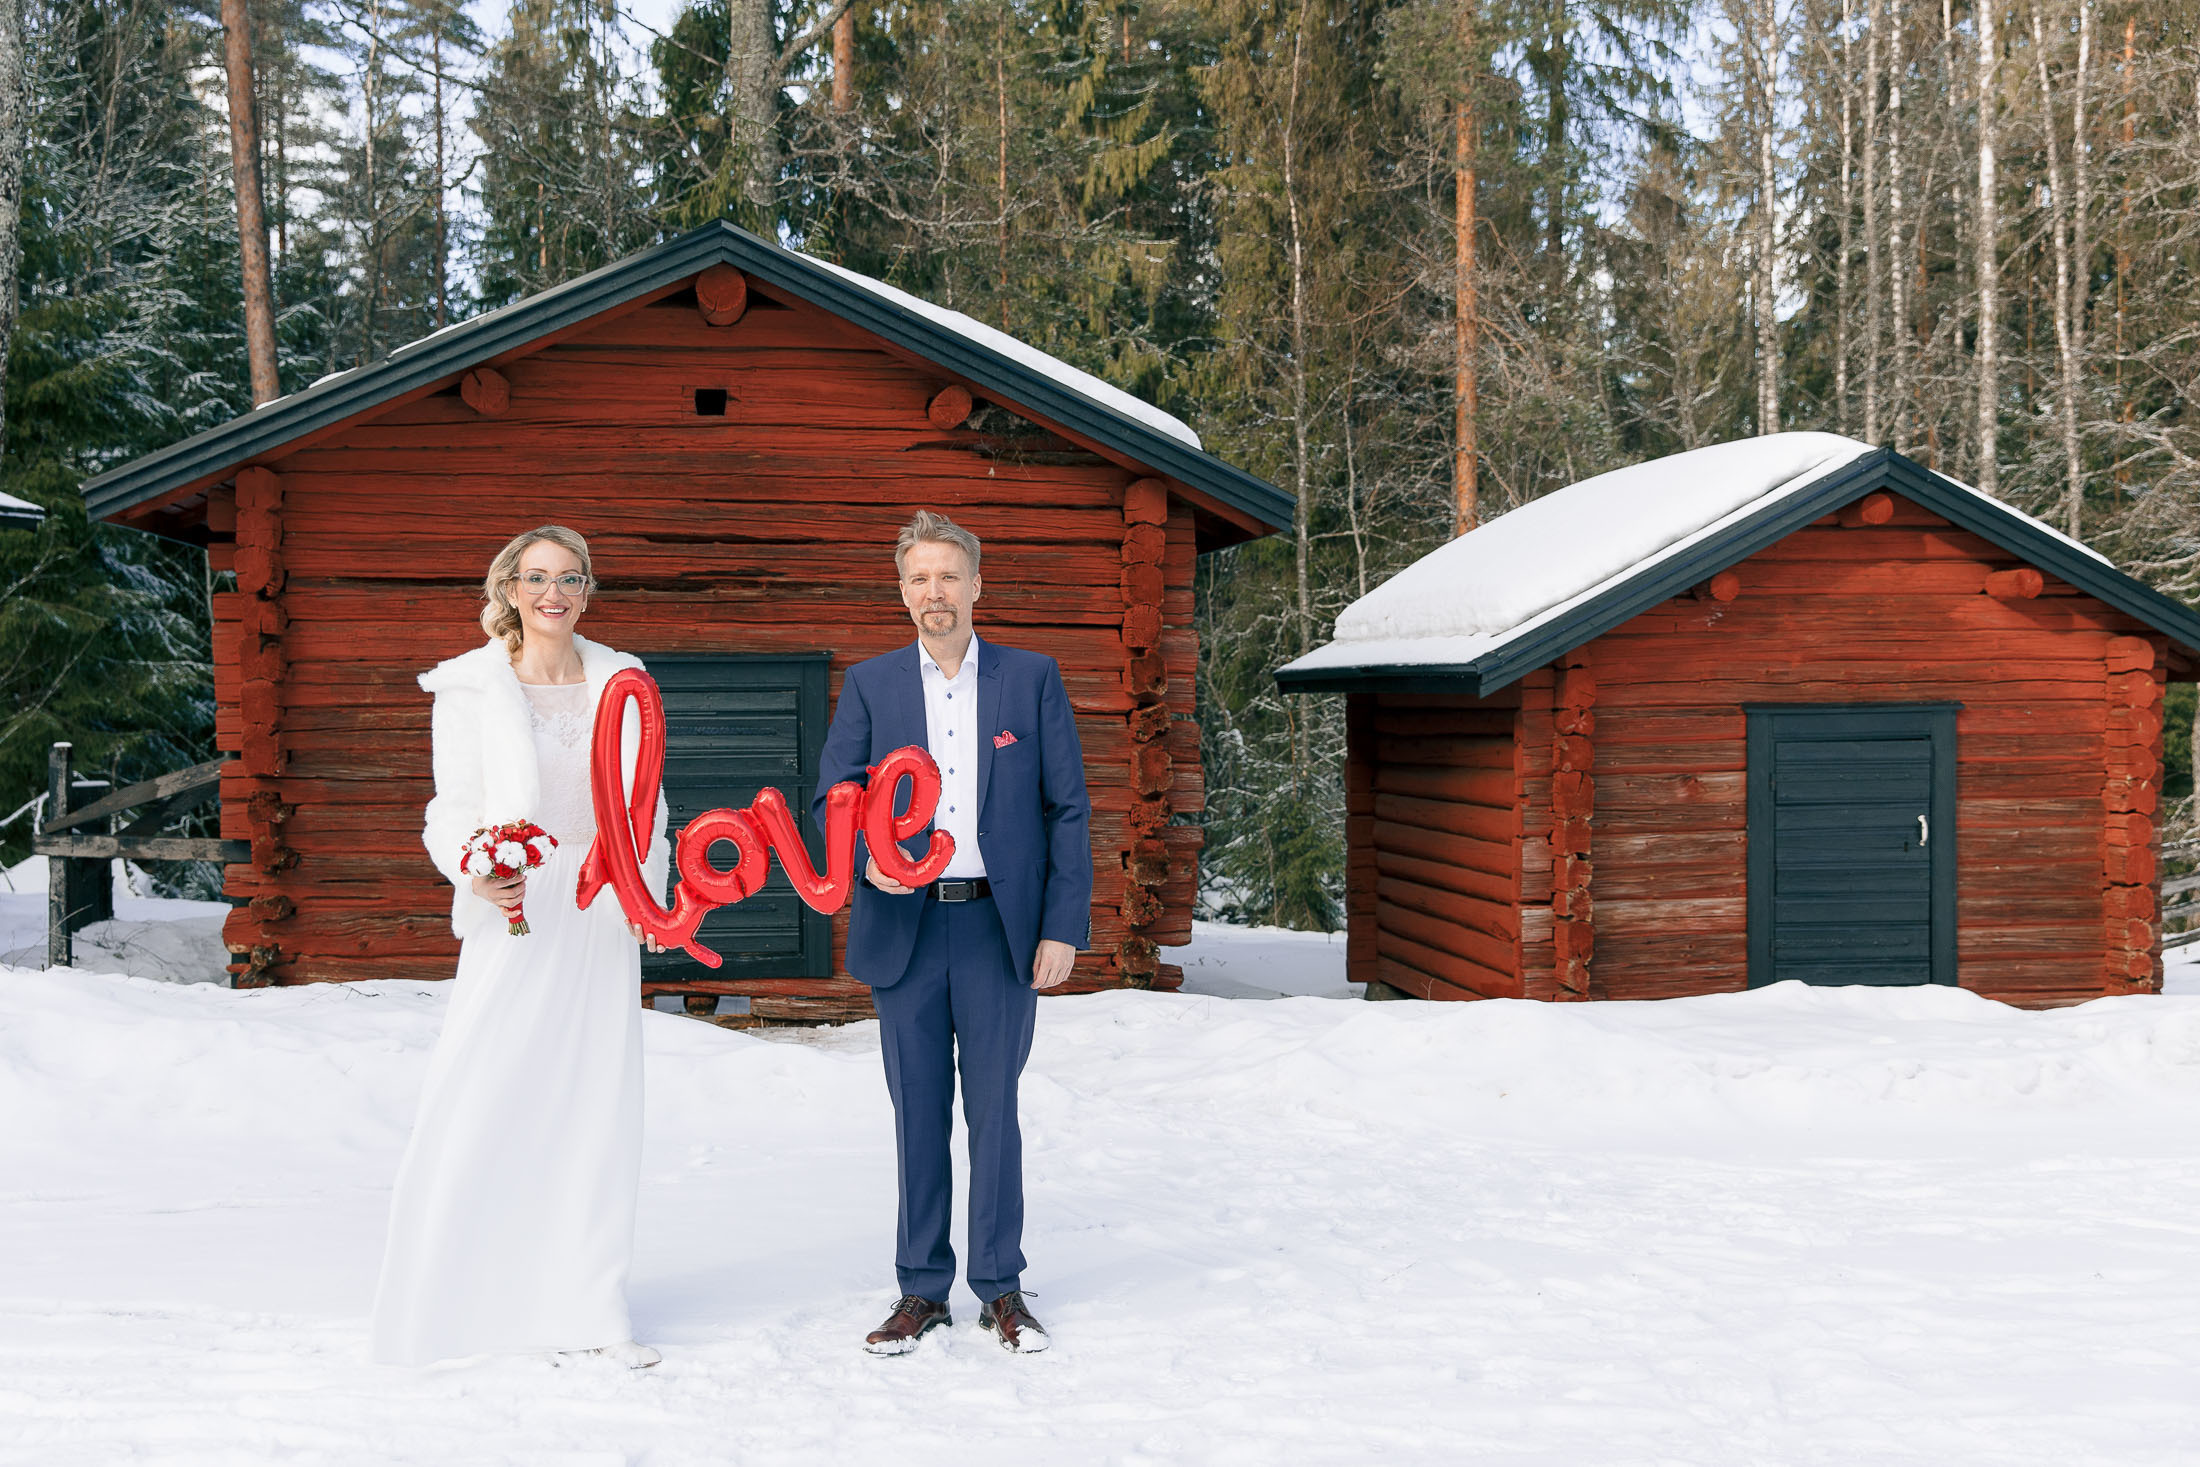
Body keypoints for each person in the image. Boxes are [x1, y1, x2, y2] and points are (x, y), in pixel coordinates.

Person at [370, 525, 669, 1369]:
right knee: (488, 1091)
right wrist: (475, 870)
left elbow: (648, 803)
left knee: (596, 1106)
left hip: (601, 906)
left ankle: (591, 1307)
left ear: (587, 591)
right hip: (521, 906)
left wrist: (645, 889)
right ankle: (456, 1298)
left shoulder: (624, 681)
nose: (552, 593)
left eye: (569, 578)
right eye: (536, 577)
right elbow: (450, 808)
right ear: (509, 589)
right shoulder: (470, 688)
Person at [814, 510, 1093, 1356]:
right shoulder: (871, 685)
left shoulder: (1030, 678)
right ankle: (921, 1287)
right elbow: (834, 798)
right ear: (902, 592)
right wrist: (867, 860)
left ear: (976, 583)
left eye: (947, 575)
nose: (933, 590)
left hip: (998, 930)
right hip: (904, 927)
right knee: (918, 1111)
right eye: (918, 578)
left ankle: (1000, 1286)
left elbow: (1067, 808)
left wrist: (1062, 927)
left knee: (995, 1111)